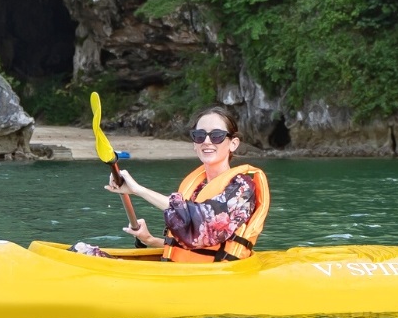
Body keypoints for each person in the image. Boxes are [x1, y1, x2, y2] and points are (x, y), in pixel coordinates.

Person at [92, 106, 271, 262]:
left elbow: (203, 225)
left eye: (216, 135)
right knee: (82, 250)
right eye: (199, 135)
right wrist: (150, 240)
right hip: (181, 271)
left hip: (214, 278)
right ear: (194, 144)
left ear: (233, 144)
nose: (206, 141)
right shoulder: (195, 187)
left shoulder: (242, 188)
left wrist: (138, 190)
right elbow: (191, 246)